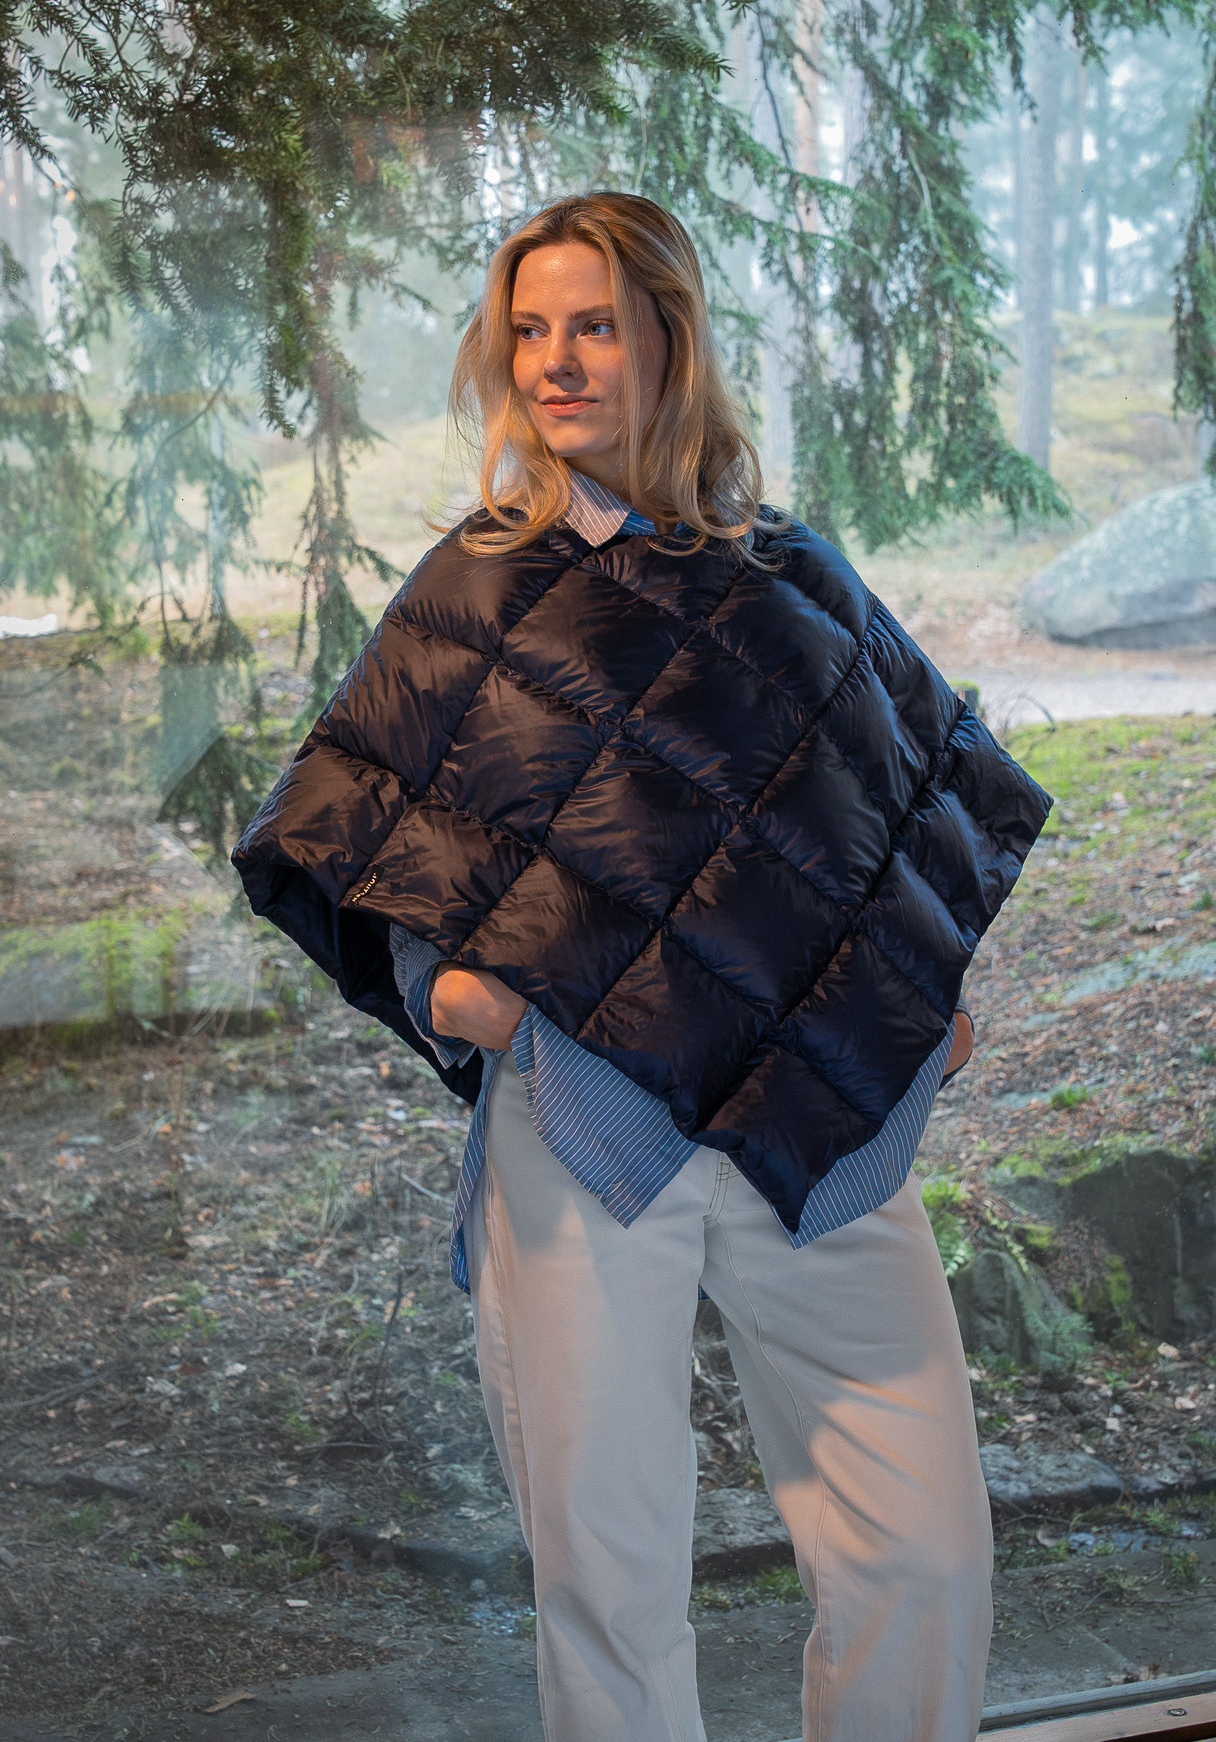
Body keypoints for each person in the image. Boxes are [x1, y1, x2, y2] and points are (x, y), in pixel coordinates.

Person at [234, 192, 1051, 1742]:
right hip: (589, 1126)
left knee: (924, 1551)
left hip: (815, 1124)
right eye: (529, 330)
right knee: (609, 1585)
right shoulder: (474, 586)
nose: (555, 361)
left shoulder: (792, 573)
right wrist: (453, 999)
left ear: (668, 341)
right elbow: (364, 826)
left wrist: (918, 996)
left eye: (594, 326)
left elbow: (884, 817)